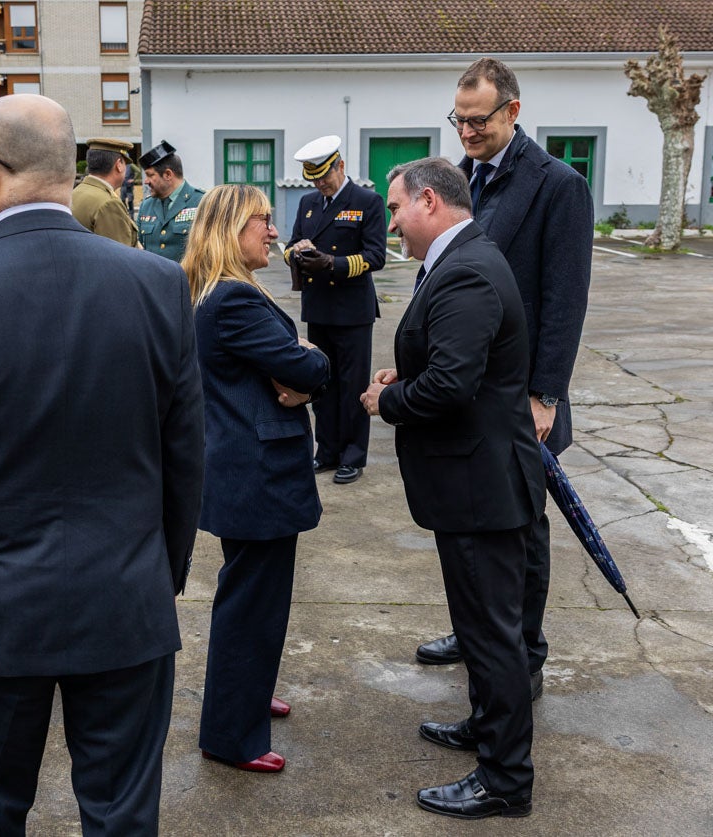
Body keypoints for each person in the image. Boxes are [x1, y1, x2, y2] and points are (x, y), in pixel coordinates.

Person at [0, 94, 204, 835]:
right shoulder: (157, 286)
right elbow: (185, 456)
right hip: (124, 597)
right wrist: (158, 570)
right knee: (120, 814)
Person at [362, 157, 544, 819]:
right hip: (474, 481)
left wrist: (388, 401)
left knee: (491, 636)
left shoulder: (465, 267)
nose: (391, 219)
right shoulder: (463, 257)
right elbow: (451, 360)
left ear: (430, 202)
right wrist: (402, 373)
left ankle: (504, 778)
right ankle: (484, 729)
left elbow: (450, 384)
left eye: (396, 206)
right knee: (478, 627)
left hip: (480, 486)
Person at [414, 58, 594, 695]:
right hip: (468, 394)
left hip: (521, 398)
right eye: (458, 119)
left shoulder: (557, 185)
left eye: (477, 120)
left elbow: (566, 299)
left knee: (521, 533)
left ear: (512, 113)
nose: (466, 131)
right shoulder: (463, 178)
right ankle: (477, 634)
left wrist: (546, 393)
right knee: (474, 529)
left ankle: (526, 655)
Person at [185, 184, 329, 774]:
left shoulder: (222, 293)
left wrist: (297, 363)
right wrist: (307, 357)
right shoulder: (233, 301)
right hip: (256, 474)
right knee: (251, 605)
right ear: (229, 230)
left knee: (255, 599)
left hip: (248, 469)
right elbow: (306, 365)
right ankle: (230, 735)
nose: (273, 231)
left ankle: (245, 694)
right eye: (261, 221)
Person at [285, 135, 386, 486]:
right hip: (319, 309)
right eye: (314, 179)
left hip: (353, 310)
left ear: (340, 166)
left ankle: (353, 455)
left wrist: (332, 263)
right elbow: (290, 244)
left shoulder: (367, 201)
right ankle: (326, 450)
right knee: (321, 383)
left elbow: (376, 257)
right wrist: (297, 253)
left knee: (352, 385)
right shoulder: (308, 203)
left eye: (325, 177)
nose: (320, 185)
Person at [136, 140, 204, 261]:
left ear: (168, 175)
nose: (146, 181)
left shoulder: (202, 202)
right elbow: (139, 247)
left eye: (150, 175)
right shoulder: (146, 205)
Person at [71, 137, 138, 246]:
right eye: (125, 163)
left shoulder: (76, 192)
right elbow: (120, 257)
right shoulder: (109, 203)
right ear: (119, 165)